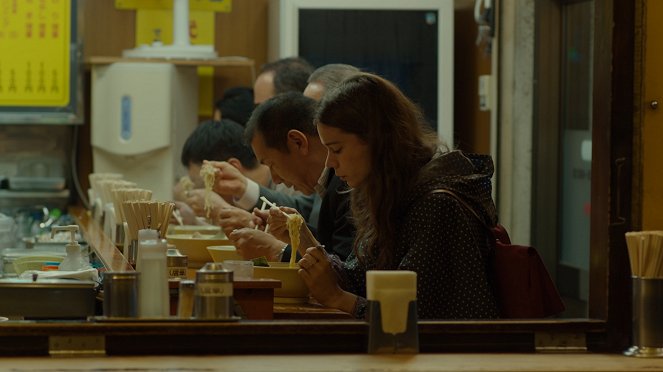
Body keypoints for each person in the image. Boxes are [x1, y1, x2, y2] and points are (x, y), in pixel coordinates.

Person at [298, 73, 500, 320]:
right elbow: (360, 279)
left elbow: (418, 319)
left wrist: (338, 299)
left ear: (377, 140)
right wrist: (304, 240)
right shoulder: (386, 192)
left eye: (337, 149)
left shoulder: (437, 205)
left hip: (448, 355)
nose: (330, 163)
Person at [229, 92, 354, 263]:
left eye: (272, 164)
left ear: (298, 142)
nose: (276, 179)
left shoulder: (349, 182)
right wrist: (291, 232)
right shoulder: (331, 181)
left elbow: (348, 271)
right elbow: (332, 245)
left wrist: (276, 249)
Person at [174, 119, 267, 230]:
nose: (203, 196)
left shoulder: (286, 188)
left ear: (232, 168)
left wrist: (222, 210)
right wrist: (193, 222)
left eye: (206, 187)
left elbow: (281, 243)